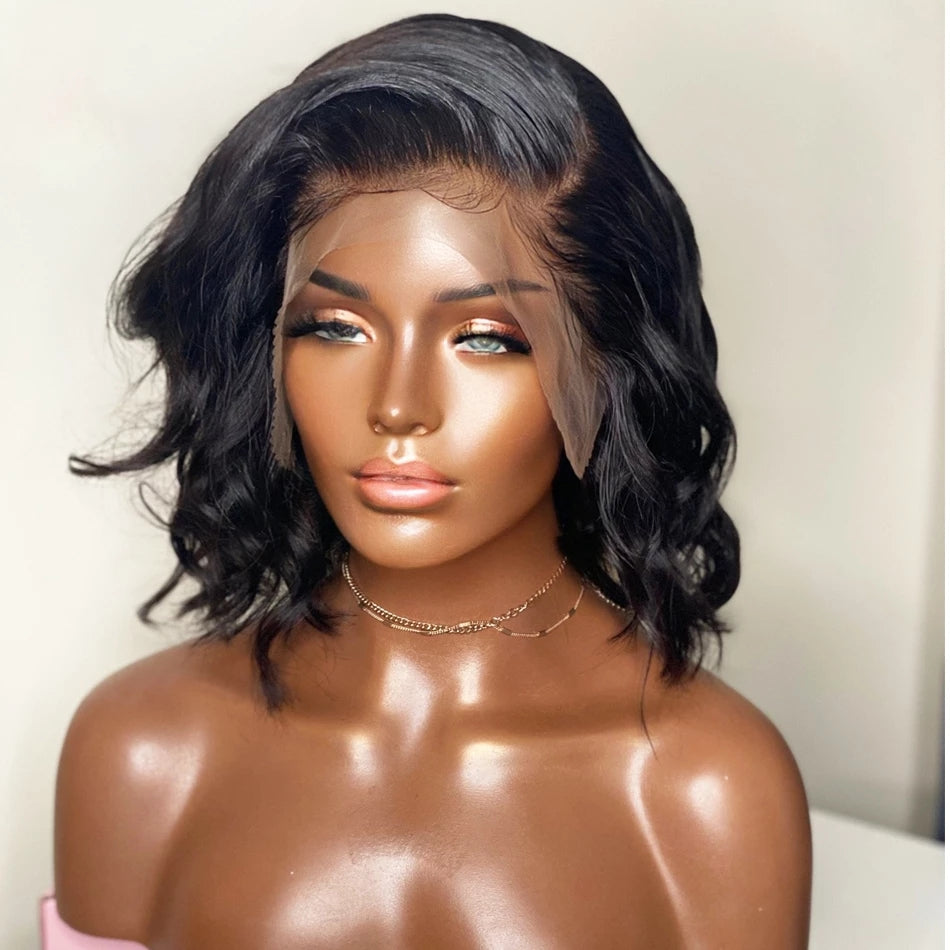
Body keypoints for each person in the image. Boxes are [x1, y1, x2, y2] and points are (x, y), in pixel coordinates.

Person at [53, 13, 811, 948]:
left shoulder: (706, 790)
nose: (398, 407)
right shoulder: (145, 751)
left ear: (607, 365)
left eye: (486, 339)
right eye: (336, 328)